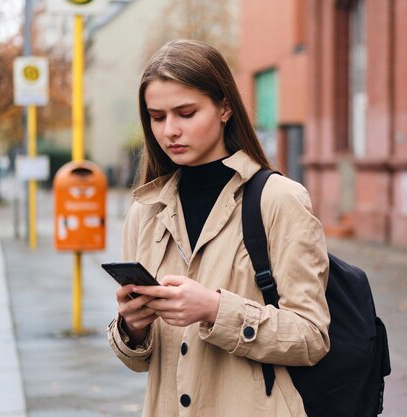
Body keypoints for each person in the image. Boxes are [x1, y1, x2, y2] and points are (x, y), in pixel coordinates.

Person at [107, 39, 331, 417]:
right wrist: (133, 327)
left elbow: (311, 337)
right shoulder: (145, 212)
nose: (170, 131)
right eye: (157, 117)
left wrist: (214, 309)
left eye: (186, 113)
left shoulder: (278, 199)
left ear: (225, 106)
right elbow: (141, 362)